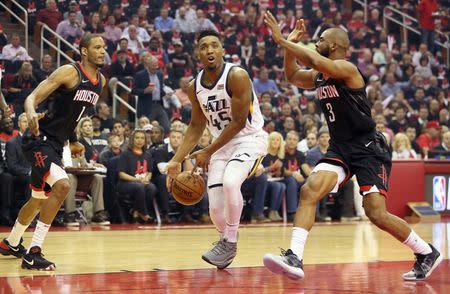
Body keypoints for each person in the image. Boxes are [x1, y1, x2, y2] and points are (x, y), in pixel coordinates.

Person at [262, 13, 442, 281]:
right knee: (309, 189)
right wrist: (288, 44)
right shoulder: (320, 76)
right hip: (340, 148)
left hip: (368, 147)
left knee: (376, 214)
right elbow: (293, 76)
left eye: (321, 39)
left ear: (333, 46)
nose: (317, 42)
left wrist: (280, 41)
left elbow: (313, 59)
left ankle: (426, 252)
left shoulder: (347, 69)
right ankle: (294, 257)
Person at [0, 33, 106, 271]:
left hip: (56, 143)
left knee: (38, 200)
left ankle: (12, 242)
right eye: (97, 47)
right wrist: (28, 111)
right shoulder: (69, 72)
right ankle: (34, 252)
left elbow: (73, 115)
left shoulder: (101, 82)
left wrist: (74, 139)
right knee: (62, 185)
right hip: (38, 139)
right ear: (84, 51)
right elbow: (33, 97)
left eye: (104, 47)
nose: (102, 51)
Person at [165, 29, 267, 269]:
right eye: (204, 46)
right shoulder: (194, 87)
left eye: (214, 45)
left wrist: (207, 151)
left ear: (222, 50)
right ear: (197, 53)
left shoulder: (237, 75)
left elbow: (239, 122)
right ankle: (225, 239)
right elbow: (196, 126)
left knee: (232, 182)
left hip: (249, 139)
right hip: (220, 146)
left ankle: (230, 240)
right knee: (214, 207)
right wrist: (175, 160)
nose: (209, 50)